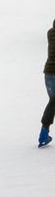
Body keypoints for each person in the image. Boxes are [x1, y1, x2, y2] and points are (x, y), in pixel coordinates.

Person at [40, 18, 55, 149]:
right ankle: (43, 135)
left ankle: (43, 134)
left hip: (48, 74)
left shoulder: (50, 33)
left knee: (53, 101)